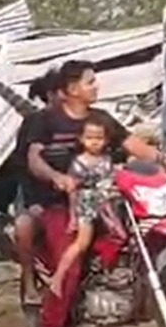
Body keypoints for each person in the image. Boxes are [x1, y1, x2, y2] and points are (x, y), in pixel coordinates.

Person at [19, 60, 166, 327]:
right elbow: (34, 160)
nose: (96, 86)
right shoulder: (42, 121)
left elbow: (134, 146)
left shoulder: (102, 119)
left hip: (103, 198)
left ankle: (133, 287)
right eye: (90, 82)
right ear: (72, 89)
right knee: (69, 266)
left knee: (155, 228)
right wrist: (54, 177)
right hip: (58, 203)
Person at [48, 118, 125, 295]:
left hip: (108, 203)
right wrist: (73, 217)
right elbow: (72, 191)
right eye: (90, 137)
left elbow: (115, 179)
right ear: (81, 139)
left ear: (106, 140)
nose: (94, 141)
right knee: (81, 243)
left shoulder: (107, 160)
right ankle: (58, 278)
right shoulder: (78, 163)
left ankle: (104, 269)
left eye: (99, 137)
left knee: (121, 236)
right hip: (87, 203)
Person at [13, 66, 63, 306]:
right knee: (24, 227)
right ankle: (30, 283)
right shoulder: (34, 123)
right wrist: (33, 202)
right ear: (51, 95)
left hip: (76, 193)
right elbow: (23, 166)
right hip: (38, 195)